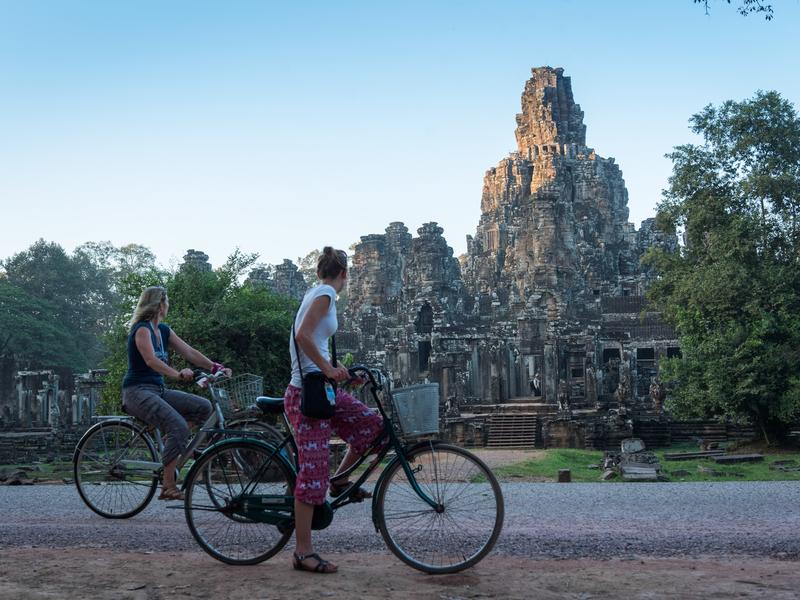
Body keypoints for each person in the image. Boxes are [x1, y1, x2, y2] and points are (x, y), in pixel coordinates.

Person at [284, 247, 384, 574]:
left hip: (323, 388)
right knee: (312, 472)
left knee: (372, 427)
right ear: (344, 273)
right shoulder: (325, 293)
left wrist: (341, 370)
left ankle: (339, 480)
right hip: (306, 394)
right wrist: (327, 368)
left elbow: (317, 342)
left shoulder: (319, 293)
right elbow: (302, 337)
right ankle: (302, 552)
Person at [121, 286, 229, 501]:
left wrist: (214, 366)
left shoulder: (163, 330)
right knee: (178, 425)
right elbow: (151, 361)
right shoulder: (141, 330)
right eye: (167, 303)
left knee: (203, 407)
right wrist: (178, 374)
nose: (167, 307)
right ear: (160, 305)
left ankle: (174, 442)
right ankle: (168, 485)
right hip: (136, 392)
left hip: (158, 391)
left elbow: (189, 352)